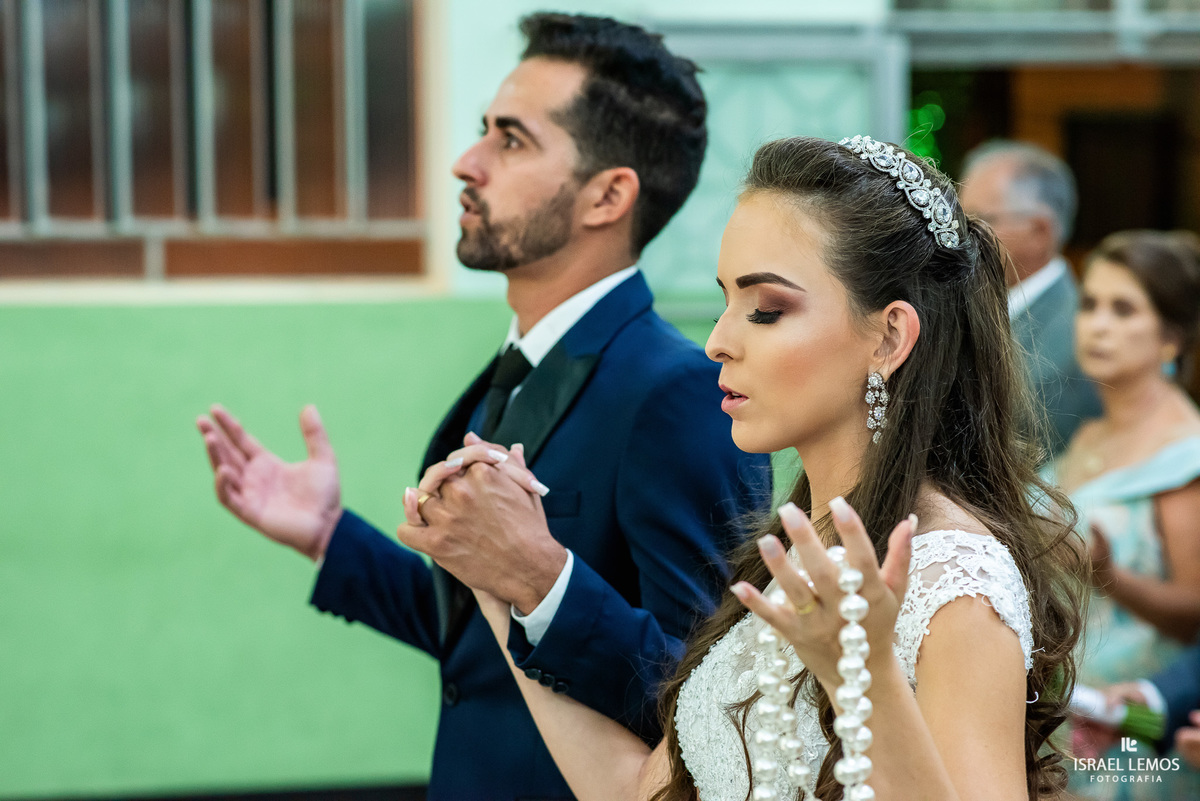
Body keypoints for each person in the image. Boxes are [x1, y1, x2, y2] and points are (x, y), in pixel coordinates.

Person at [407, 135, 1087, 800]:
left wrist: (865, 680)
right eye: (725, 299)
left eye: (765, 310)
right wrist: (500, 592)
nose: (717, 341)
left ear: (889, 336)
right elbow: (634, 789)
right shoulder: (789, 554)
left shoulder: (953, 578)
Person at [196, 13, 769, 800]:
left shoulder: (678, 394)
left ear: (607, 194)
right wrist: (332, 539)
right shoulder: (509, 373)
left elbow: (713, 690)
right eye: (481, 133)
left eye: (511, 140)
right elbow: (475, 635)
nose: (467, 163)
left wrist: (543, 577)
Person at [1048, 230, 1200, 797]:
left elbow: (1194, 613)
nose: (1098, 325)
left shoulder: (1186, 456)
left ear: (1169, 339)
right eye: (1089, 305)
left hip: (1133, 730)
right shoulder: (1084, 435)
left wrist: (1108, 577)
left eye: (1123, 309)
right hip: (1058, 711)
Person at [960, 140, 1102, 458]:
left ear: (1039, 230)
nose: (959, 235)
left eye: (978, 220)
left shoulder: (1075, 336)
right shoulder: (967, 302)